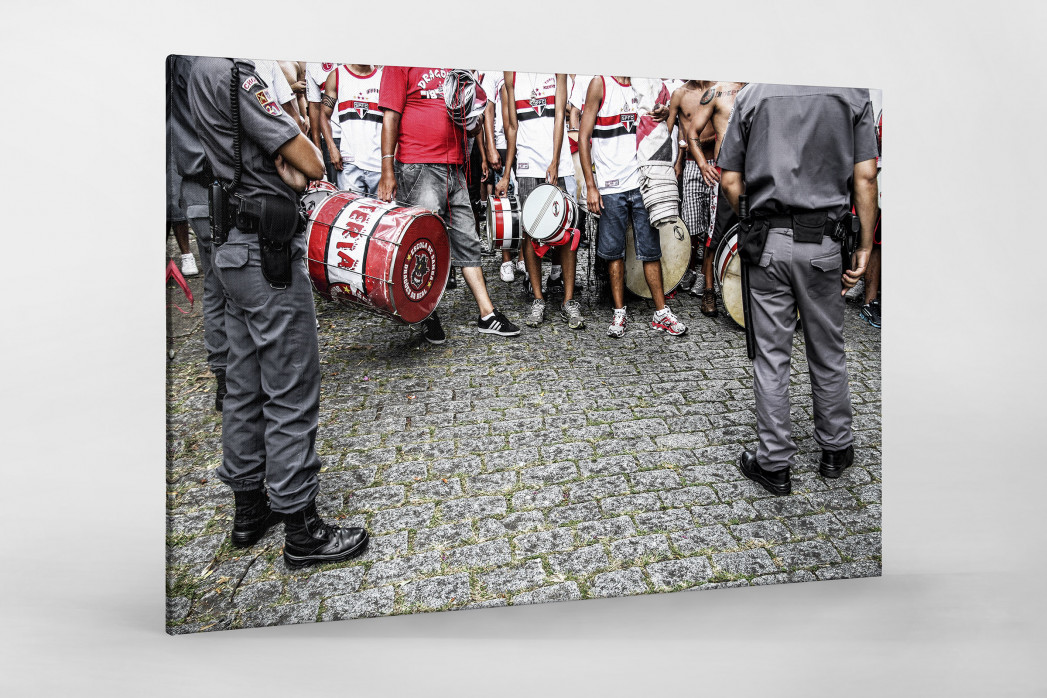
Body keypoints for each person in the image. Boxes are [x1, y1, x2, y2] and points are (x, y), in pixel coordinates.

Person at [187, 56, 369, 567]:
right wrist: (298, 161)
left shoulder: (192, 69)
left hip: (231, 250)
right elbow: (309, 160)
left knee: (245, 385)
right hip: (264, 251)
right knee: (290, 386)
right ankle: (301, 528)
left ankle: (250, 510)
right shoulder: (231, 70)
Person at [717, 83, 879, 495]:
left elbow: (730, 179)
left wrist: (755, 222)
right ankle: (835, 450)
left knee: (772, 356)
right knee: (827, 349)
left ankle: (773, 464)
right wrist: (863, 246)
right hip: (825, 243)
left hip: (768, 244)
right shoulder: (853, 94)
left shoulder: (752, 95)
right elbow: (865, 175)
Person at [377, 66, 520, 343]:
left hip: (454, 167)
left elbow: (472, 121)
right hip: (418, 166)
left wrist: (473, 120)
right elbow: (390, 117)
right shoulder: (400, 60)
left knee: (468, 238)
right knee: (423, 246)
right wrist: (387, 170)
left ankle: (487, 314)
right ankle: (424, 313)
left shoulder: (455, 64)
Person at [577, 75, 688, 338]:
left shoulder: (646, 83)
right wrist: (591, 186)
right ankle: (619, 313)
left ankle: (661, 313)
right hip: (610, 185)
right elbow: (583, 137)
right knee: (614, 253)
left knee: (650, 251)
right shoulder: (600, 83)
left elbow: (664, 118)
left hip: (643, 180)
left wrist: (664, 111)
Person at [499, 72, 585, 329]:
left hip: (557, 165)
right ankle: (538, 298)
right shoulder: (511, 74)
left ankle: (569, 300)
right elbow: (512, 127)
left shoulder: (556, 69)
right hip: (526, 166)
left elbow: (560, 115)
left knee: (566, 231)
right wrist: (506, 173)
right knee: (530, 232)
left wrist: (555, 161)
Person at [168, 55, 227, 410]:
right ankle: (230, 378)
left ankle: (225, 378)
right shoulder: (196, 60)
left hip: (201, 185)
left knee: (218, 288)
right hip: (211, 184)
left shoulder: (179, 59)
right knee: (228, 288)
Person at [685, 81, 747, 316]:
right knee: (714, 237)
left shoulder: (759, 88)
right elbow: (692, 132)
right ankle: (709, 292)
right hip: (725, 175)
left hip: (756, 177)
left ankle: (747, 292)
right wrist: (702, 164)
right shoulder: (717, 92)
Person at [320, 64, 383, 194]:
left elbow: (393, 121)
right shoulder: (337, 75)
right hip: (349, 162)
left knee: (381, 212)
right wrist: (332, 148)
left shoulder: (383, 78)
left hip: (379, 164)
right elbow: (324, 115)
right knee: (351, 211)